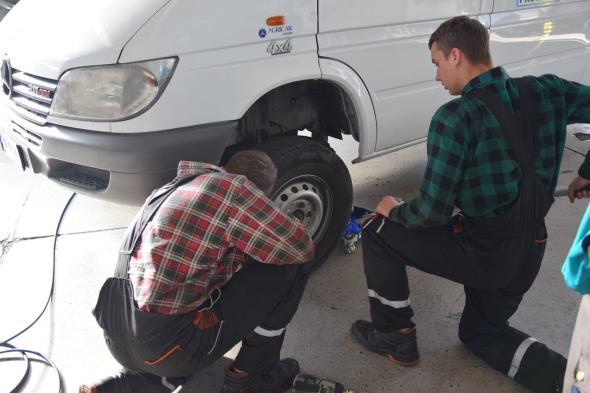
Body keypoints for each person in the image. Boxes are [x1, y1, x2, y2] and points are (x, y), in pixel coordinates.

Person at [351, 15, 590, 393]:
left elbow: (433, 212)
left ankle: (394, 336)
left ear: (457, 55)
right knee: (481, 333)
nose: (436, 76)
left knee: (377, 231)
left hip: (484, 254)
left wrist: (393, 209)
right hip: (530, 251)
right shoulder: (548, 90)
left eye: (437, 63)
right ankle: (571, 382)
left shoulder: (456, 118)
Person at [80, 150, 315, 393]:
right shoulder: (235, 189)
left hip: (116, 332)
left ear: (224, 166)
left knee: (193, 299)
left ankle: (132, 385)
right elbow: (300, 247)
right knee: (293, 264)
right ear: (257, 194)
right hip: (165, 345)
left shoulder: (174, 187)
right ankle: (250, 378)